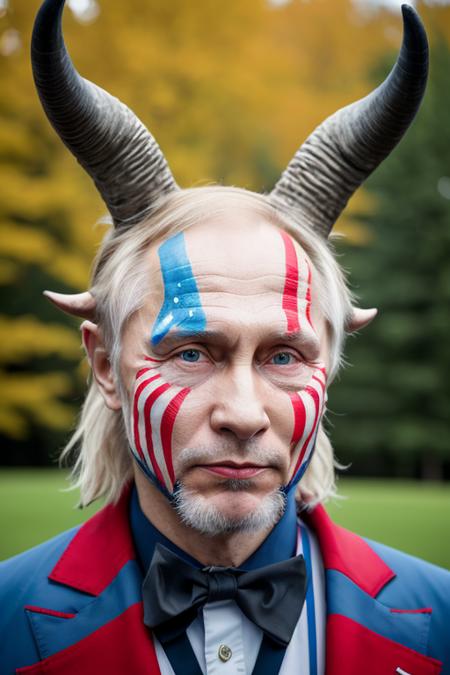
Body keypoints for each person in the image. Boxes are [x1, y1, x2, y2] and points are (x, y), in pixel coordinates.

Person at [0, 0, 449, 673]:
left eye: (284, 355)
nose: (243, 413)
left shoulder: (439, 619)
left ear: (329, 364)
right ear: (102, 364)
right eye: (190, 352)